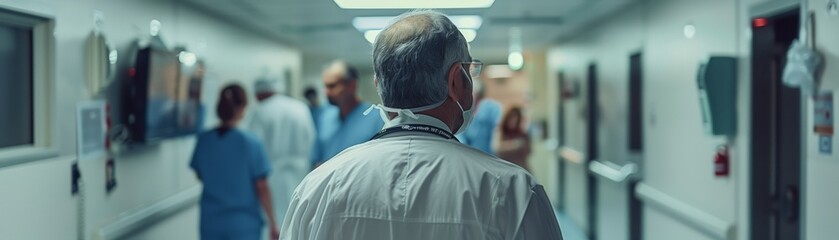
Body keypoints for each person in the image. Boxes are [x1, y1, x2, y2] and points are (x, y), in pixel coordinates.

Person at [282, 10, 563, 240]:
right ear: (456, 81)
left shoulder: (316, 188)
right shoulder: (513, 192)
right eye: (469, 72)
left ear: (380, 86)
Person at [190, 84, 279, 240]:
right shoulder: (251, 142)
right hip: (243, 224)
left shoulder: (204, 140)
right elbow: (262, 186)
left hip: (211, 222)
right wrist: (273, 223)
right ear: (242, 108)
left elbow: (200, 174)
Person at [249, 77, 316, 226]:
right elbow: (311, 139)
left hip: (271, 179)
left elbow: (253, 150)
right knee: (297, 223)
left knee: (274, 226)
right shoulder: (301, 107)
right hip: (302, 175)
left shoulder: (260, 111)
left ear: (259, 94)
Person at [311, 60, 384, 167]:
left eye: (332, 86)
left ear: (351, 86)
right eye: (325, 86)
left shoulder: (377, 118)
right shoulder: (325, 118)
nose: (326, 92)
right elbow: (317, 160)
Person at [458, 71, 503, 155]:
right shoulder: (462, 113)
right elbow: (461, 137)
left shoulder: (491, 108)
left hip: (490, 156)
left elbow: (497, 132)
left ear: (477, 94)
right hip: (470, 156)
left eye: (471, 93)